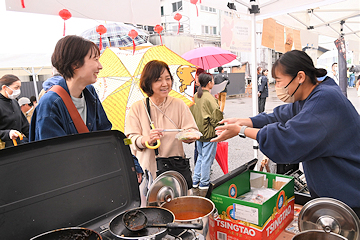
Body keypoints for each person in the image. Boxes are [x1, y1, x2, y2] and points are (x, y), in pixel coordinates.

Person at [211, 50, 360, 217]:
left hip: (349, 195)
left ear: (300, 77)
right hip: (333, 196)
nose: (278, 87)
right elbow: (278, 116)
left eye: (280, 81)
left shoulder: (325, 100)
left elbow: (287, 139)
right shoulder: (311, 96)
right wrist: (243, 120)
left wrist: (241, 130)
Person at [125, 60, 199, 203]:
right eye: (158, 80)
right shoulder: (137, 108)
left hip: (175, 170)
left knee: (178, 210)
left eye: (168, 78)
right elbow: (128, 140)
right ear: (148, 83)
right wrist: (145, 139)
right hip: (149, 172)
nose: (165, 84)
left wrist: (189, 136)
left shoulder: (179, 104)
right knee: (151, 212)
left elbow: (192, 129)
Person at [190, 73, 223, 189]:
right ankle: (204, 182)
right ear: (209, 83)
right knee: (207, 158)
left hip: (198, 132)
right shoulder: (210, 98)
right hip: (209, 133)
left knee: (200, 156)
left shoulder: (195, 96)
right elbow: (217, 117)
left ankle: (195, 180)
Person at [0, 74, 29, 148]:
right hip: (4, 147)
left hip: (17, 145)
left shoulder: (15, 102)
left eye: (19, 87)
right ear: (4, 88)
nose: (18, 90)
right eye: (16, 87)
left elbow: (24, 125)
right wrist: (8, 134)